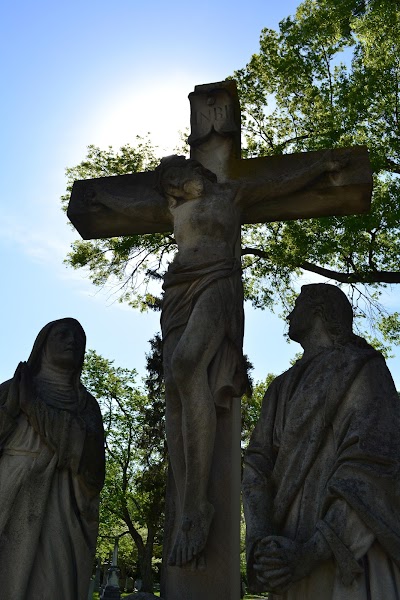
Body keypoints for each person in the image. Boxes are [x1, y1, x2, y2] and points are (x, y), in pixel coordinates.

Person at [86, 153, 347, 567]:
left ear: (195, 171)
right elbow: (132, 206)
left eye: (176, 176)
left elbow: (279, 181)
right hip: (178, 291)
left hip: (217, 282)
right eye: (167, 184)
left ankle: (198, 502)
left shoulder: (231, 193)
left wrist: (318, 169)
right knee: (174, 390)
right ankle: (189, 490)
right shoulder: (175, 207)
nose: (172, 186)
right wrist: (99, 195)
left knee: (188, 365)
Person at [243, 284, 400, 599]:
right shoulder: (279, 388)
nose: (289, 312)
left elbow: (369, 471)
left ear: (318, 311)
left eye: (297, 303)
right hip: (286, 561)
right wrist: (263, 545)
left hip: (348, 560)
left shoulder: (363, 369)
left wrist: (312, 551)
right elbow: (255, 467)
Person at [0, 318, 105, 600]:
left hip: (62, 506)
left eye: (79, 339)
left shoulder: (87, 405)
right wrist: (11, 410)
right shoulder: (9, 391)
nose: (72, 341)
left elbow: (94, 469)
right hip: (9, 496)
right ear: (43, 344)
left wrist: (33, 407)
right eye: (63, 334)